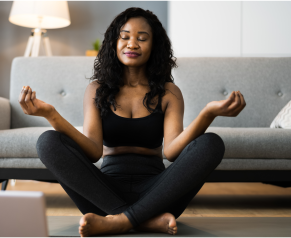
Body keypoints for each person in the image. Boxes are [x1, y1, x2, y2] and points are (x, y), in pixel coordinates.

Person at [18, 7, 246, 237]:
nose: (132, 44)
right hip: (103, 195)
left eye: (142, 38)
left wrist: (208, 113)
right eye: (125, 37)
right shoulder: (96, 89)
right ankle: (142, 221)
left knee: (211, 143)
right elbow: (94, 152)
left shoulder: (169, 92)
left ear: (154, 45)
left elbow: (173, 151)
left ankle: (121, 221)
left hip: (158, 194)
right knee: (48, 141)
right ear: (113, 44)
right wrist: (51, 115)